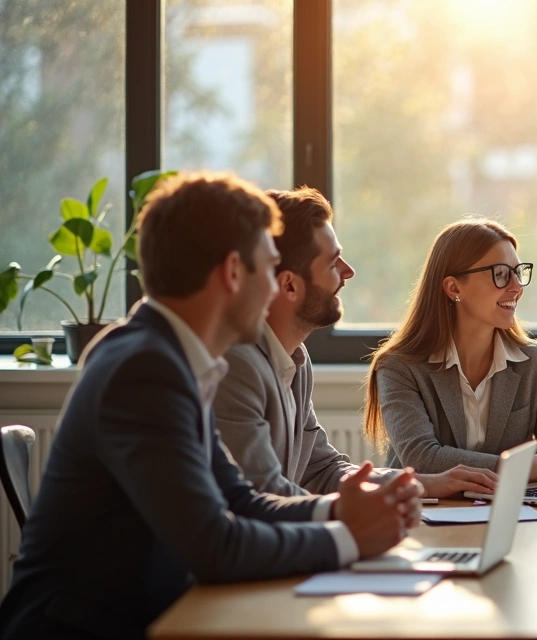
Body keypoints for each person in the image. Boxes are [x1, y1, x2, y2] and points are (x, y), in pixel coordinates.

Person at [0, 173, 423, 639]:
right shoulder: (144, 369)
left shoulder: (172, 359)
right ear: (232, 272)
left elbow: (239, 500)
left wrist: (339, 511)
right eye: (267, 268)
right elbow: (214, 544)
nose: (272, 292)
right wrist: (348, 537)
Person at [213, 187, 497, 499]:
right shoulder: (236, 364)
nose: (348, 272)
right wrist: (349, 519)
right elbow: (262, 495)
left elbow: (323, 469)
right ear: (290, 285)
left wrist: (422, 483)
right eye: (333, 263)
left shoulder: (295, 358)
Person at [363, 218, 537, 483]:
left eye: (519, 272)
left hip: (510, 514)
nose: (516, 287)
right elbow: (421, 457)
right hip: (424, 516)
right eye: (501, 274)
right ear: (454, 288)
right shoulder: (398, 367)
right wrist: (517, 467)